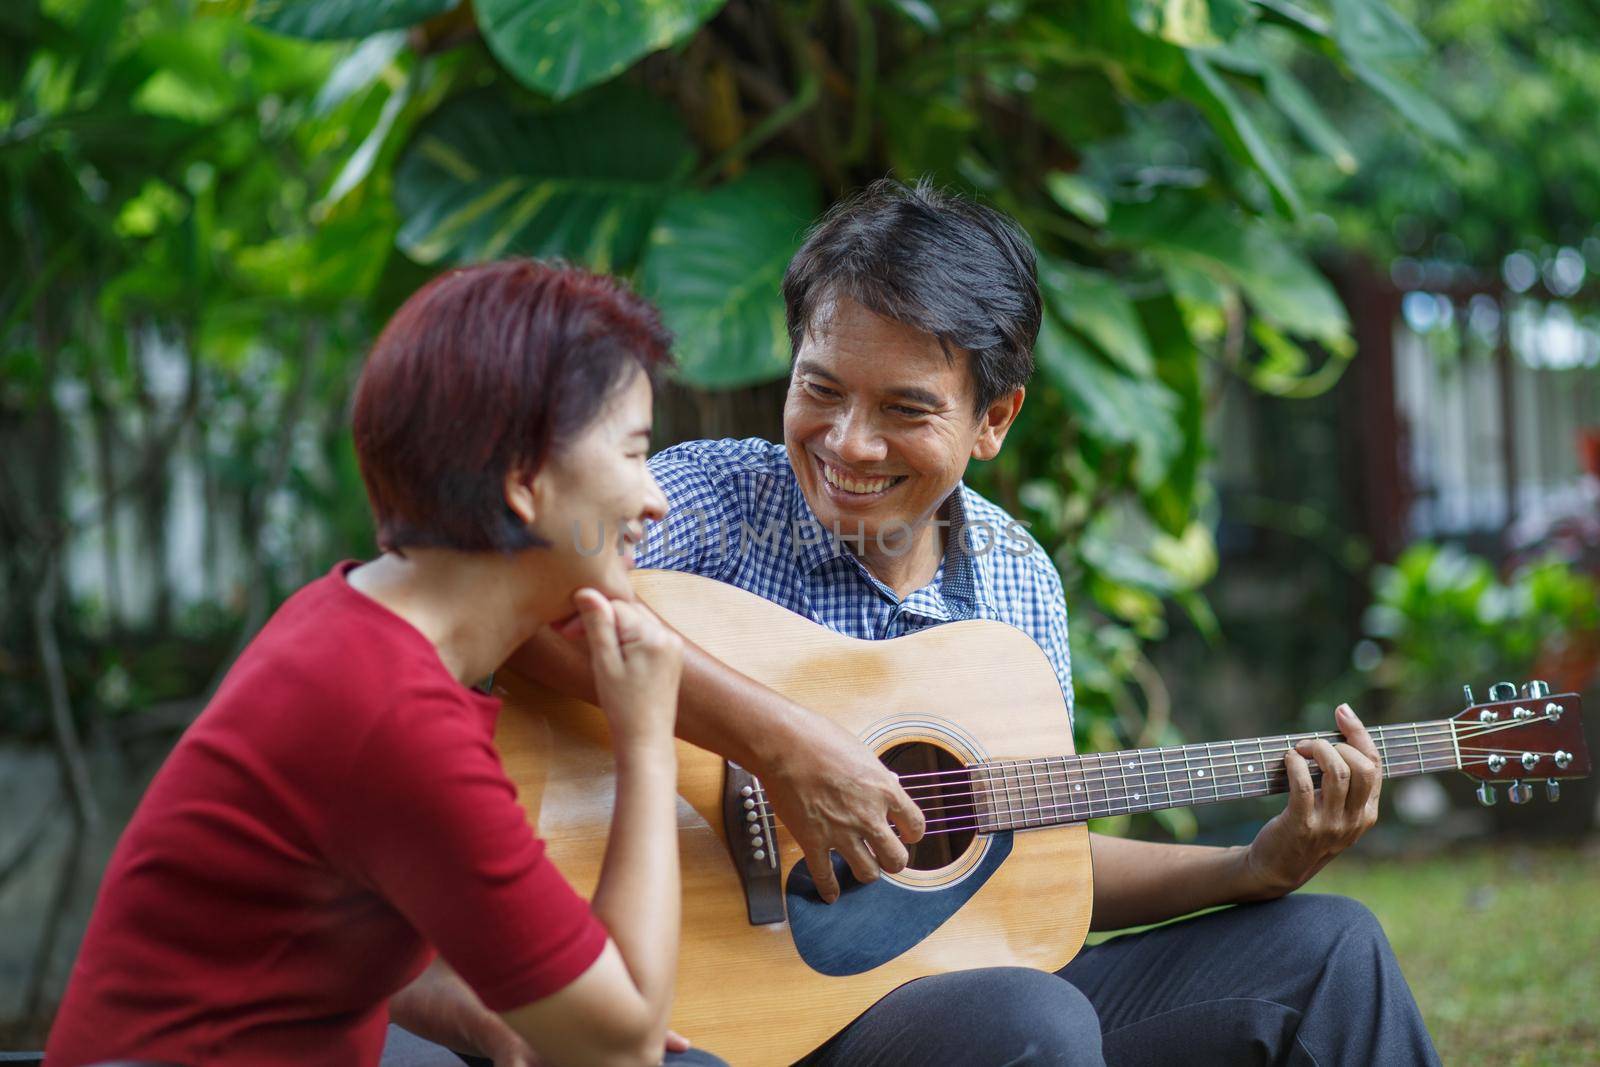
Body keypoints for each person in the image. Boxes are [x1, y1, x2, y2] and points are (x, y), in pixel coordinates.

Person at [513, 181, 1442, 1065]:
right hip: (740, 1014)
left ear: (994, 418)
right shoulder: (711, 499)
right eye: (822, 389)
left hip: (942, 1004)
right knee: (1031, 1017)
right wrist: (781, 744)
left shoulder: (1015, 579)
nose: (848, 442)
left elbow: (1026, 858)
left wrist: (1251, 865)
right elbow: (519, 598)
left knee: (1333, 950)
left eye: (904, 409)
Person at [46, 261, 726, 1067]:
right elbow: (622, 1047)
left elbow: (337, 929)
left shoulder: (348, 623)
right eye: (635, 453)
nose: (656, 499)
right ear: (523, 478)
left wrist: (488, 1014)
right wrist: (645, 736)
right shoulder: (394, 713)